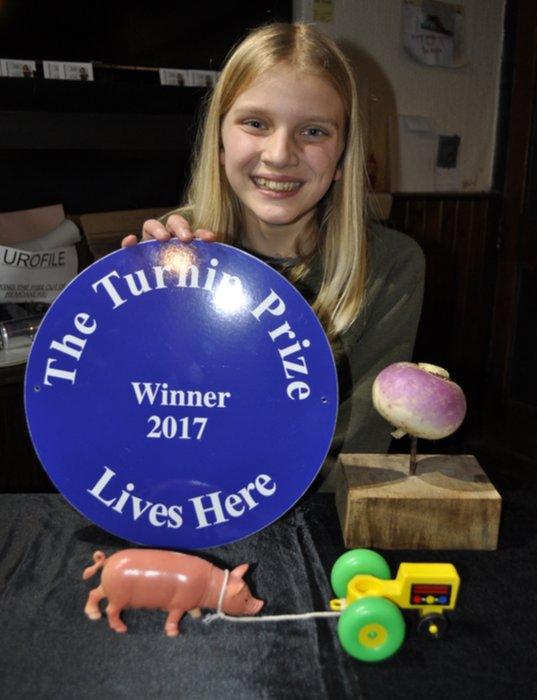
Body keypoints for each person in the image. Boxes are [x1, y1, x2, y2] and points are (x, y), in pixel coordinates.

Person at [122, 22, 425, 490]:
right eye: (256, 123)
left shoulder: (390, 266)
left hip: (312, 519)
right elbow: (135, 420)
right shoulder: (175, 251)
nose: (281, 154)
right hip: (185, 502)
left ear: (343, 153)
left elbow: (358, 447)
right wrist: (131, 311)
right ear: (220, 142)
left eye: (313, 131)